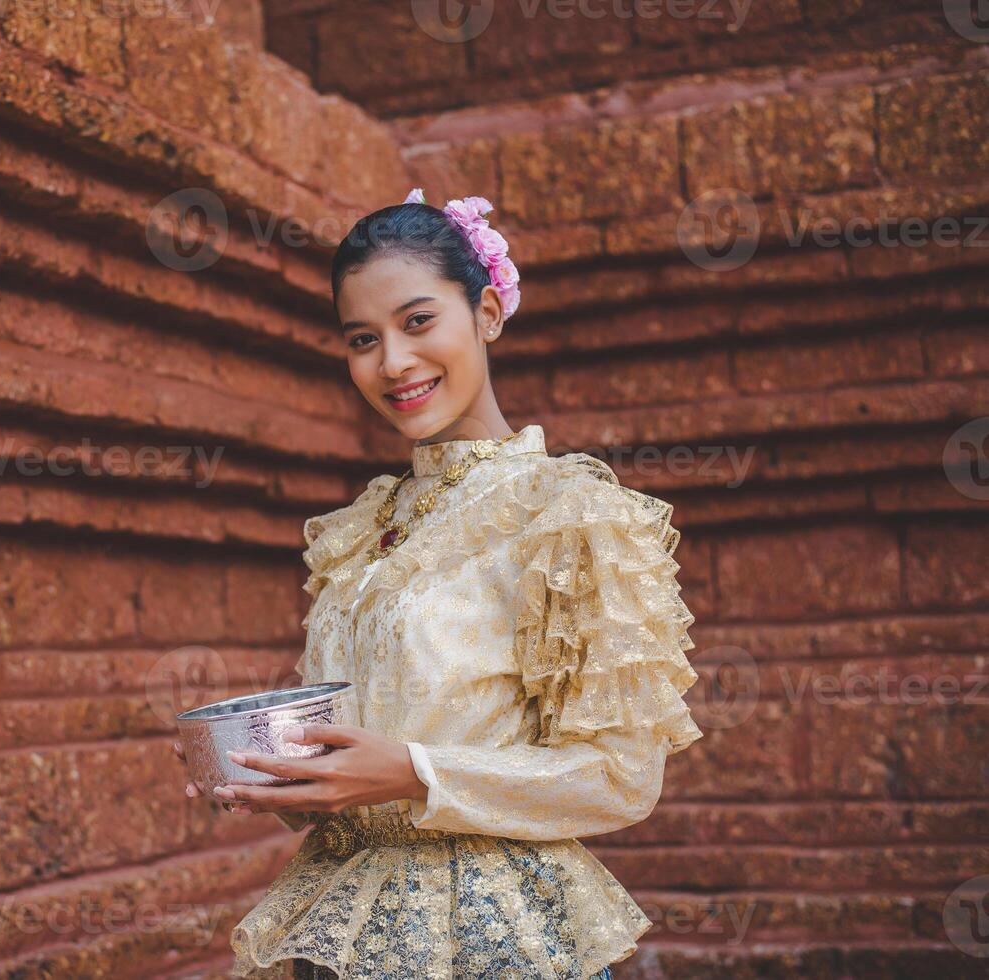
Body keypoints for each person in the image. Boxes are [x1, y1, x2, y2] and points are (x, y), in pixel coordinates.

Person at [173, 189, 703, 979]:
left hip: (497, 934)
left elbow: (621, 778)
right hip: (340, 931)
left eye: (418, 322)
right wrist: (284, 777)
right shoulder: (365, 529)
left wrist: (417, 773)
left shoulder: (571, 513)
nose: (393, 363)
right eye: (362, 338)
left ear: (487, 312)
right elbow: (362, 738)